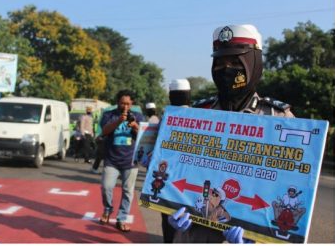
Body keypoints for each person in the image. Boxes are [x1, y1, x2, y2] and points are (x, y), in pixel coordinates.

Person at [168, 24, 295, 243]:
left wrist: (260, 233)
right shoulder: (198, 113)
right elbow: (175, 167)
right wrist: (170, 202)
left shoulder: (278, 118)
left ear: (254, 63)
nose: (226, 69)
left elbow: (291, 185)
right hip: (196, 232)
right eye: (220, 63)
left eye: (236, 62)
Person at [99, 89, 145, 232]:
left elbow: (143, 136)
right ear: (117, 103)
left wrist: (135, 126)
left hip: (130, 160)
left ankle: (122, 218)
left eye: (127, 104)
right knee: (106, 187)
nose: (125, 107)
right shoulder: (109, 115)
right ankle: (107, 209)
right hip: (111, 159)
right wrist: (119, 120)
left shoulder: (137, 116)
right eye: (122, 103)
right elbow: (105, 131)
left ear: (132, 103)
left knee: (128, 191)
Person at [160, 78, 192, 243]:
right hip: (185, 181)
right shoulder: (200, 116)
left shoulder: (165, 117)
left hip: (170, 180)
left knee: (169, 223)